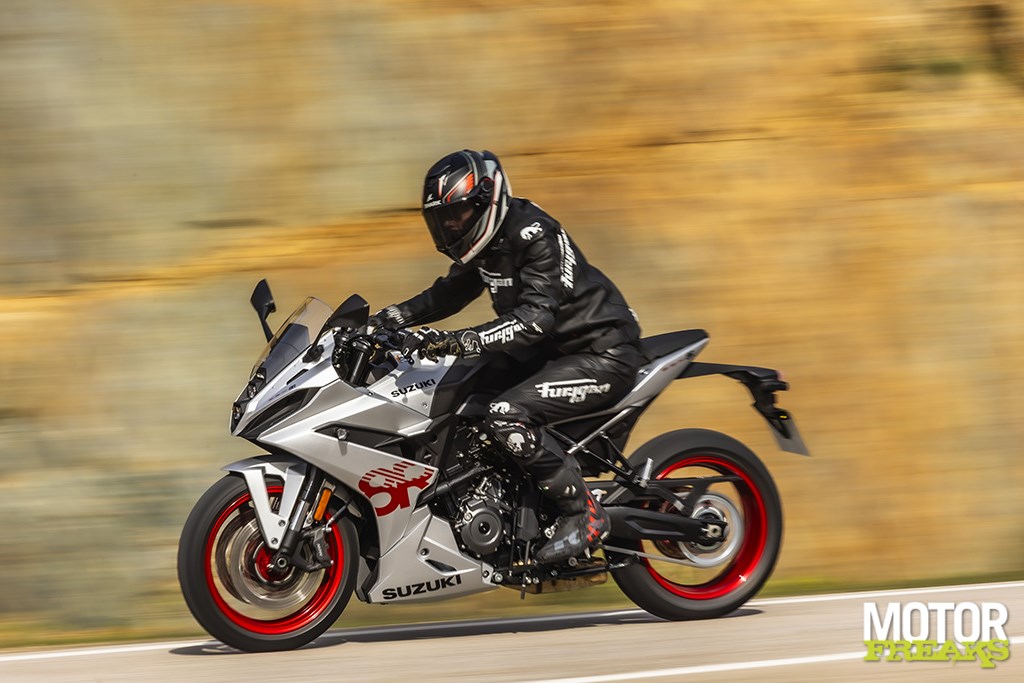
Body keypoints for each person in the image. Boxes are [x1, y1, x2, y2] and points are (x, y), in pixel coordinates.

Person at [372, 149, 642, 563]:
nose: (450, 225)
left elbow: (535, 319)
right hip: (545, 354)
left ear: (487, 200)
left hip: (601, 353)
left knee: (505, 414)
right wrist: (386, 319)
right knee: (454, 388)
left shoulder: (534, 234)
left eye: (458, 214)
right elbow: (448, 294)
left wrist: (459, 340)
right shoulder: (486, 244)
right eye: (443, 218)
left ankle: (583, 513)